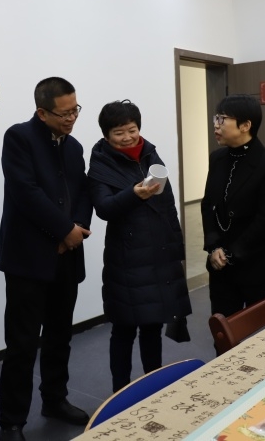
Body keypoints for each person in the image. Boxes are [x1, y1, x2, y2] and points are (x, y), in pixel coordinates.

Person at [0, 77, 93, 441]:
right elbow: (25, 192)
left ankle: (55, 399)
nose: (72, 118)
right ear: (42, 112)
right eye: (64, 113)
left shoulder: (74, 146)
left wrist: (76, 229)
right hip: (28, 259)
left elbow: (83, 191)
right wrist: (63, 230)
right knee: (22, 343)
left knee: (59, 336)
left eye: (75, 110)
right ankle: (11, 421)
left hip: (67, 256)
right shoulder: (19, 138)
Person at [87, 100, 191, 393]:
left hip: (158, 254)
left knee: (152, 327)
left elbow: (168, 205)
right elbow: (104, 208)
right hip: (126, 259)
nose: (127, 137)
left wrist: (176, 248)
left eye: (132, 130)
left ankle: (152, 389)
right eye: (119, 132)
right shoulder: (100, 163)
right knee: (123, 330)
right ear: (107, 135)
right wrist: (133, 195)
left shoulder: (150, 154)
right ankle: (120, 392)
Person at [201, 94, 265, 318]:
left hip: (257, 265)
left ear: (245, 125)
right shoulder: (217, 158)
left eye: (222, 119)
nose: (216, 125)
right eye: (216, 119)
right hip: (220, 267)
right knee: (223, 328)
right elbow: (208, 204)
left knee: (262, 332)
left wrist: (231, 253)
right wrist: (214, 246)